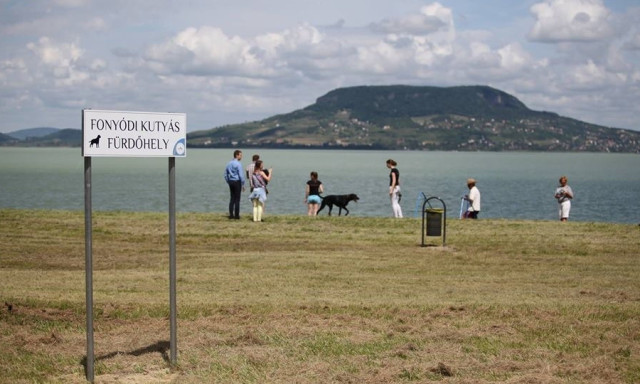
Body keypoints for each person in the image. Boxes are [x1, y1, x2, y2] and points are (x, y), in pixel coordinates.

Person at [224, 150, 245, 219]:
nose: (241, 156)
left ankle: (231, 215)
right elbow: (241, 175)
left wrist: (228, 181)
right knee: (237, 199)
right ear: (237, 155)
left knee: (232, 198)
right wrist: (243, 184)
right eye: (240, 155)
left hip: (231, 181)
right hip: (237, 181)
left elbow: (225, 174)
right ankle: (236, 215)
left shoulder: (228, 163)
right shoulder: (238, 164)